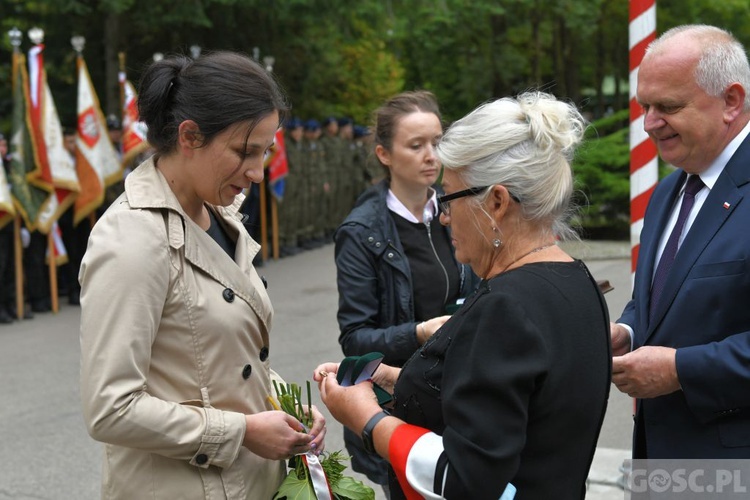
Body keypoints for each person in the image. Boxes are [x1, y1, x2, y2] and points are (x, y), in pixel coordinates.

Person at [315, 91, 612, 499]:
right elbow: (509, 400)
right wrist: (395, 377)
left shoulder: (505, 307)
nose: (443, 214)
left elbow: (465, 478)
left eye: (450, 197)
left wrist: (367, 420)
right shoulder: (577, 281)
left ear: (497, 201)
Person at [78, 51, 326, 499]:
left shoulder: (219, 214)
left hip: (246, 481)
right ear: (189, 135)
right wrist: (241, 432)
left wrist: (287, 404)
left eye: (266, 152)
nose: (257, 172)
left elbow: (226, 359)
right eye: (244, 152)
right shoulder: (133, 237)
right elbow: (110, 409)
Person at [611, 24, 750, 459]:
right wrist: (628, 331)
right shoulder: (669, 192)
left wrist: (680, 369)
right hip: (664, 459)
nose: (649, 123)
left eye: (667, 106)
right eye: (644, 106)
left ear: (731, 101)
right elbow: (659, 299)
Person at [332, 90, 479, 494]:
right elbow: (355, 338)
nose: (431, 155)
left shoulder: (459, 209)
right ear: (384, 154)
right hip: (405, 404)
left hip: (462, 395)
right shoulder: (362, 232)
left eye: (437, 142)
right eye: (416, 145)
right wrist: (419, 332)